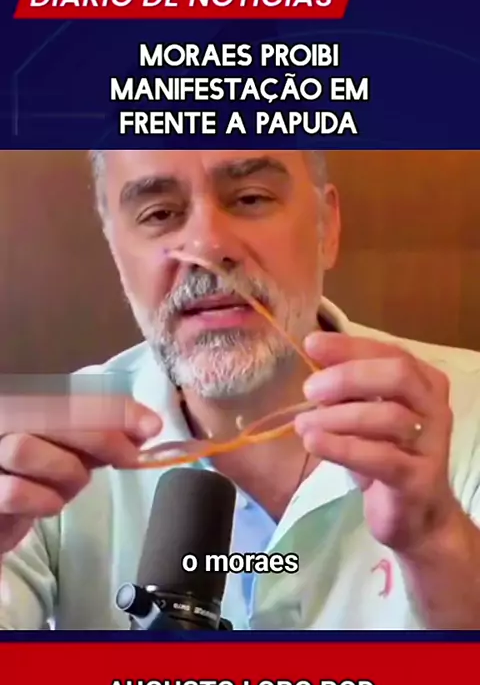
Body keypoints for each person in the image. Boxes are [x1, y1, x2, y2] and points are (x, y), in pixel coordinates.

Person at [1, 149, 480, 631]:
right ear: (115, 249)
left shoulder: (469, 410)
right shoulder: (37, 448)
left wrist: (435, 540)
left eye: (251, 199)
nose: (208, 246)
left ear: (326, 228)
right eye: (160, 213)